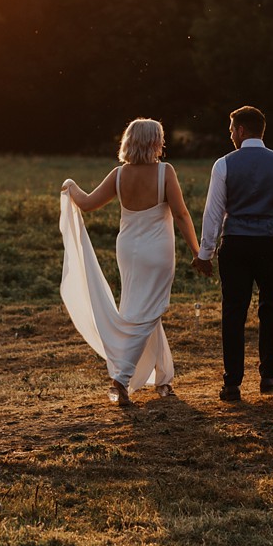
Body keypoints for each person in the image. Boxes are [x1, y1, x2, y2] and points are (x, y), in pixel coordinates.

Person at [59, 118, 201, 406]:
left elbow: (87, 203)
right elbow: (182, 214)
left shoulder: (119, 174)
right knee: (147, 312)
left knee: (146, 310)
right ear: (151, 142)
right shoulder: (165, 171)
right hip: (158, 251)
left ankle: (163, 380)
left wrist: (70, 186)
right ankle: (121, 379)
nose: (163, 143)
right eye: (160, 138)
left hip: (127, 250)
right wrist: (198, 252)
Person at [193, 106, 273, 402]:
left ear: (241, 131)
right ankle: (268, 375)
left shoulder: (223, 165)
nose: (230, 135)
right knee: (271, 308)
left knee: (233, 311)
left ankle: (232, 383)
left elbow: (213, 214)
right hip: (269, 243)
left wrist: (205, 253)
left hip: (236, 244)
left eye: (231, 130)